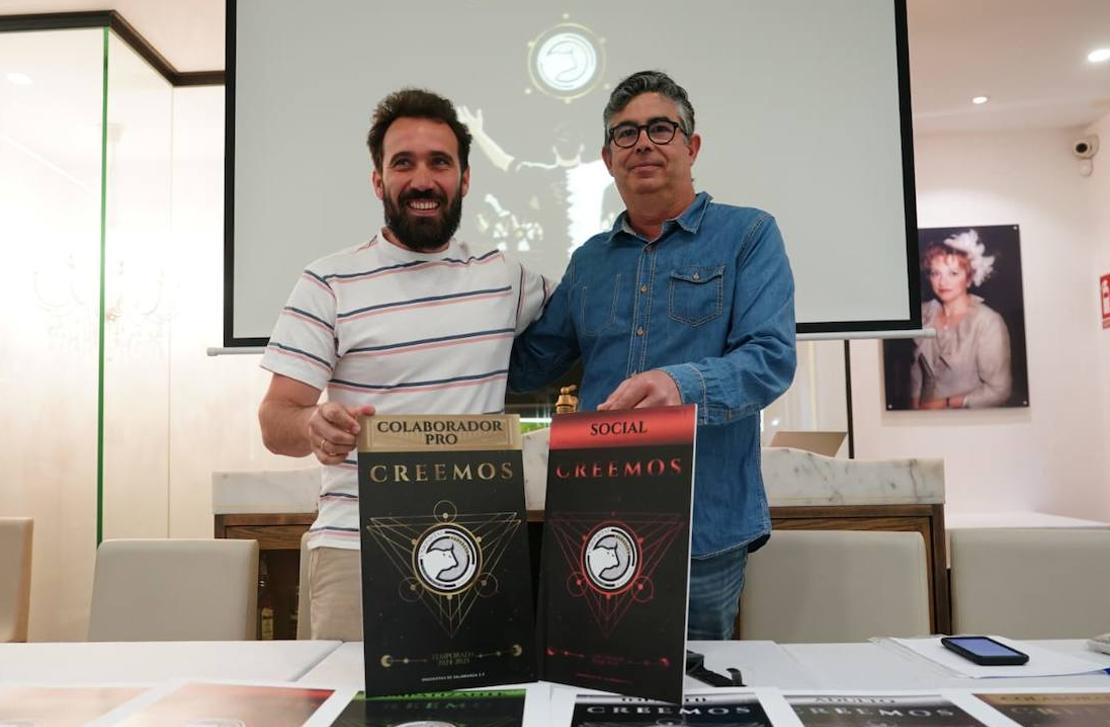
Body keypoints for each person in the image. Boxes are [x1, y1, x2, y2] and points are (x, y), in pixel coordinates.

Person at [509, 70, 797, 641]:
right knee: (594, 694)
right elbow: (530, 365)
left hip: (703, 530)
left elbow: (770, 358)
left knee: (694, 712)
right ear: (608, 158)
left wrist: (681, 385)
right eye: (625, 133)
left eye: (661, 129)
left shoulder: (749, 235)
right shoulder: (589, 261)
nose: (642, 143)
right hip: (597, 526)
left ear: (692, 147)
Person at [258, 89, 552, 641]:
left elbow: (598, 324)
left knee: (484, 722)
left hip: (478, 550)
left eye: (440, 162)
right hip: (356, 550)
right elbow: (277, 421)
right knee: (345, 724)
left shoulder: (505, 278)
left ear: (464, 179)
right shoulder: (328, 282)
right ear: (378, 180)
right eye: (403, 163)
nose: (423, 180)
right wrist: (311, 425)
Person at [910, 230, 1012, 409]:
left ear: (969, 278)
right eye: (936, 273)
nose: (942, 282)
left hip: (966, 422)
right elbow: (917, 373)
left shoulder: (988, 322)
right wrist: (913, 410)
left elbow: (1000, 390)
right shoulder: (923, 313)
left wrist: (946, 404)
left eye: (953, 273)